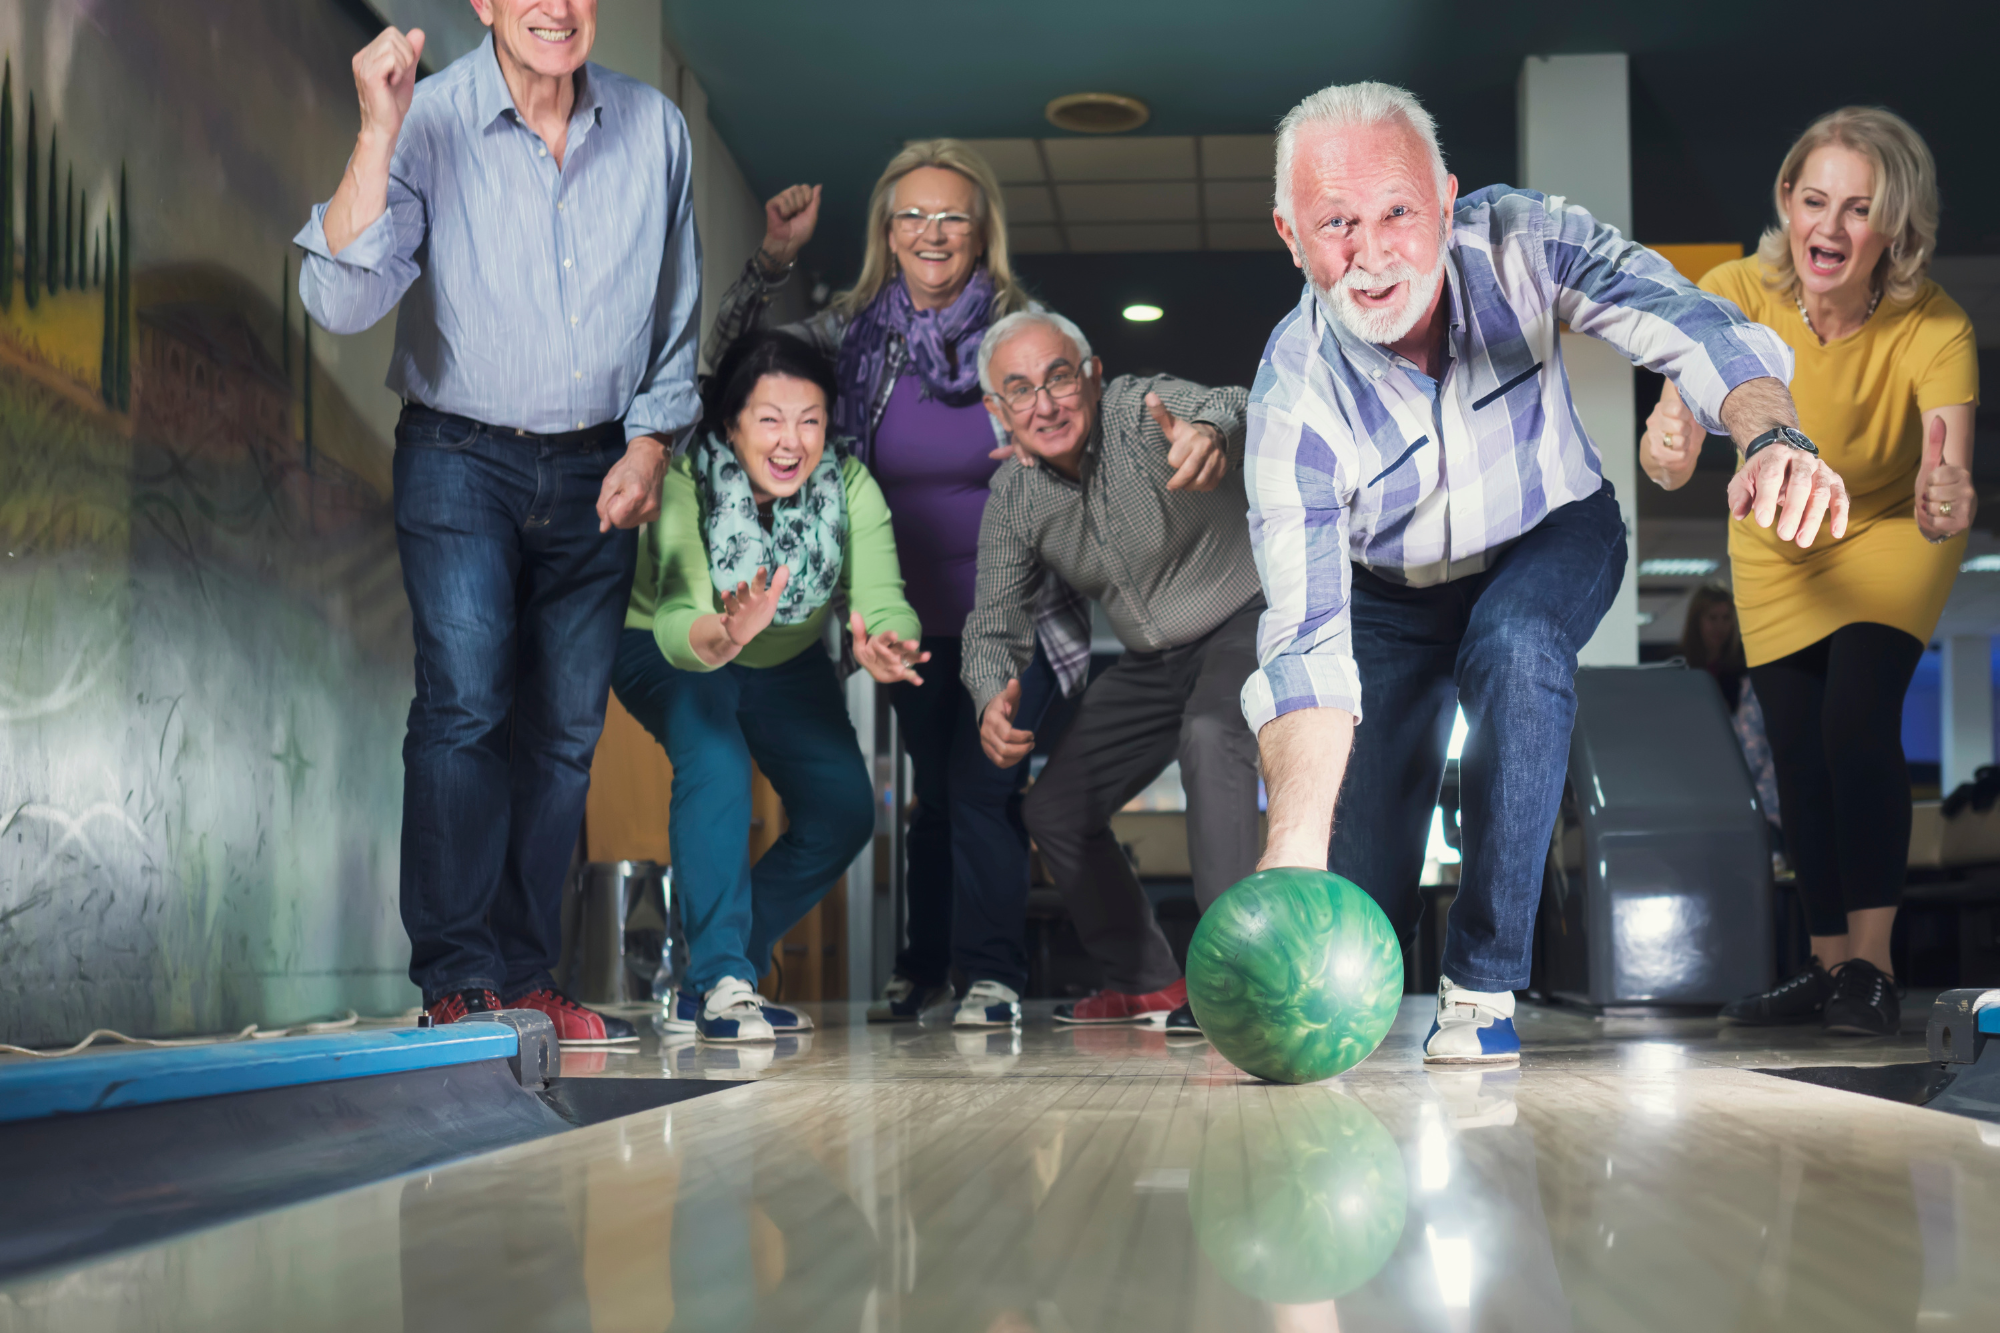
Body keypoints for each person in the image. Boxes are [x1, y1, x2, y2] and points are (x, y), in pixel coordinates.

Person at [1245, 81, 1846, 1065]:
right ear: (1288, 235)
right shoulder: (1291, 398)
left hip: (1550, 535)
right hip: (1386, 600)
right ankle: (1352, 970)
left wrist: (1769, 434)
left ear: (1444, 199)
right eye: (1334, 223)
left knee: (1515, 646)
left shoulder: (1519, 243)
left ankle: (1482, 983)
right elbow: (1307, 644)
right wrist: (1289, 865)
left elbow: (1684, 321)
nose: (1371, 250)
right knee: (1352, 887)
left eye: (1396, 210)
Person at [295, 2, 700, 1044]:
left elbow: (674, 310)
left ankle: (525, 975)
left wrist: (650, 444)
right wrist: (377, 131)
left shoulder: (655, 129)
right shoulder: (425, 119)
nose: (555, 8)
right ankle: (457, 975)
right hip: (458, 457)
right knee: (466, 708)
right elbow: (338, 301)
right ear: (481, 1)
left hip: (599, 465)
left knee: (563, 736)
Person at [715, 144, 1095, 1026]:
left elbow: (1093, 444)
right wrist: (770, 260)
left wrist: (1057, 451)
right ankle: (927, 961)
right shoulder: (851, 337)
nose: (932, 232)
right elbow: (729, 373)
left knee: (983, 782)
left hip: (1021, 616)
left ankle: (991, 977)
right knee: (942, 786)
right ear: (887, 234)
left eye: (952, 215)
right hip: (906, 623)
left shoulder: (1029, 336)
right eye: (912, 215)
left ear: (981, 232)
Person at [1642, 107, 1977, 1036]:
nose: (1829, 227)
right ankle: (1829, 967)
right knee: (1795, 752)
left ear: (1896, 228)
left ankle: (1872, 963)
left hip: (1888, 530)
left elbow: (1948, 479)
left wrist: (1947, 493)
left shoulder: (1935, 325)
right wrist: (1666, 444)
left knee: (1854, 720)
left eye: (1858, 209)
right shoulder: (1733, 289)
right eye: (1813, 199)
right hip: (1778, 537)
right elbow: (1670, 447)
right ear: (1786, 200)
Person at [612, 332, 928, 1042]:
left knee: (844, 808)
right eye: (770, 419)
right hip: (672, 650)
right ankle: (724, 978)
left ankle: (723, 972)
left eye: (810, 420)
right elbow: (676, 616)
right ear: (731, 424)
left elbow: (885, 594)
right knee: (716, 757)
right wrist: (726, 634)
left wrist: (886, 636)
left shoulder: (849, 485)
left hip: (784, 660)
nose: (792, 441)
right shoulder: (687, 478)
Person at [966, 310, 1255, 1035]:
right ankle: (1146, 979)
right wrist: (987, 695)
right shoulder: (1015, 497)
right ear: (997, 412)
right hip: (1150, 661)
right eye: (1020, 390)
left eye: (1059, 376)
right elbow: (991, 618)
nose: (1045, 403)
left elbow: (1236, 402)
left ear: (1092, 375)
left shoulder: (1135, 409)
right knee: (1052, 808)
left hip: (1243, 620)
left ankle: (1237, 985)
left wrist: (1210, 432)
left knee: (1213, 731)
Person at [1679, 586, 1782, 835]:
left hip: (1737, 769)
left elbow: (1753, 736)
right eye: (1712, 618)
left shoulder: (1744, 672)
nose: (1720, 627)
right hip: (1693, 771)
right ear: (1697, 622)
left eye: (1726, 618)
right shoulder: (1680, 670)